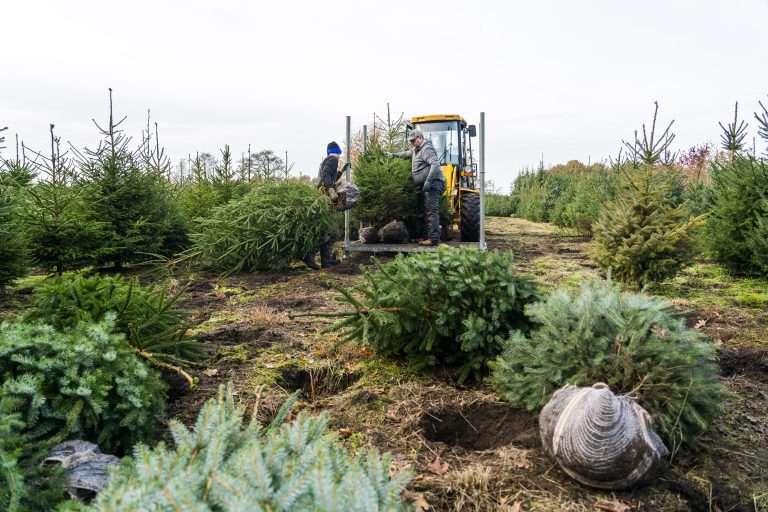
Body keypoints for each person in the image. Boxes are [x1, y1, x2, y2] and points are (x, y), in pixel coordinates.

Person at [390, 129, 445, 246]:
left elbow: (435, 164)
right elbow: (405, 154)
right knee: (426, 210)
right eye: (411, 141)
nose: (412, 143)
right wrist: (393, 155)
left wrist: (429, 180)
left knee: (431, 210)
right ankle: (426, 236)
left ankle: (434, 239)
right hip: (427, 184)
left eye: (413, 141)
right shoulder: (416, 149)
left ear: (420, 138)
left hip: (434, 183)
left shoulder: (426, 149)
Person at [302, 141, 348, 269]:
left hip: (321, 195)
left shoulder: (327, 160)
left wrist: (341, 172)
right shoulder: (333, 159)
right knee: (329, 229)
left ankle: (325, 261)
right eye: (339, 152)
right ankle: (310, 255)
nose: (339, 155)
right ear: (337, 152)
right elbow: (326, 175)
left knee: (326, 228)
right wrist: (331, 189)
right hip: (326, 197)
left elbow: (329, 176)